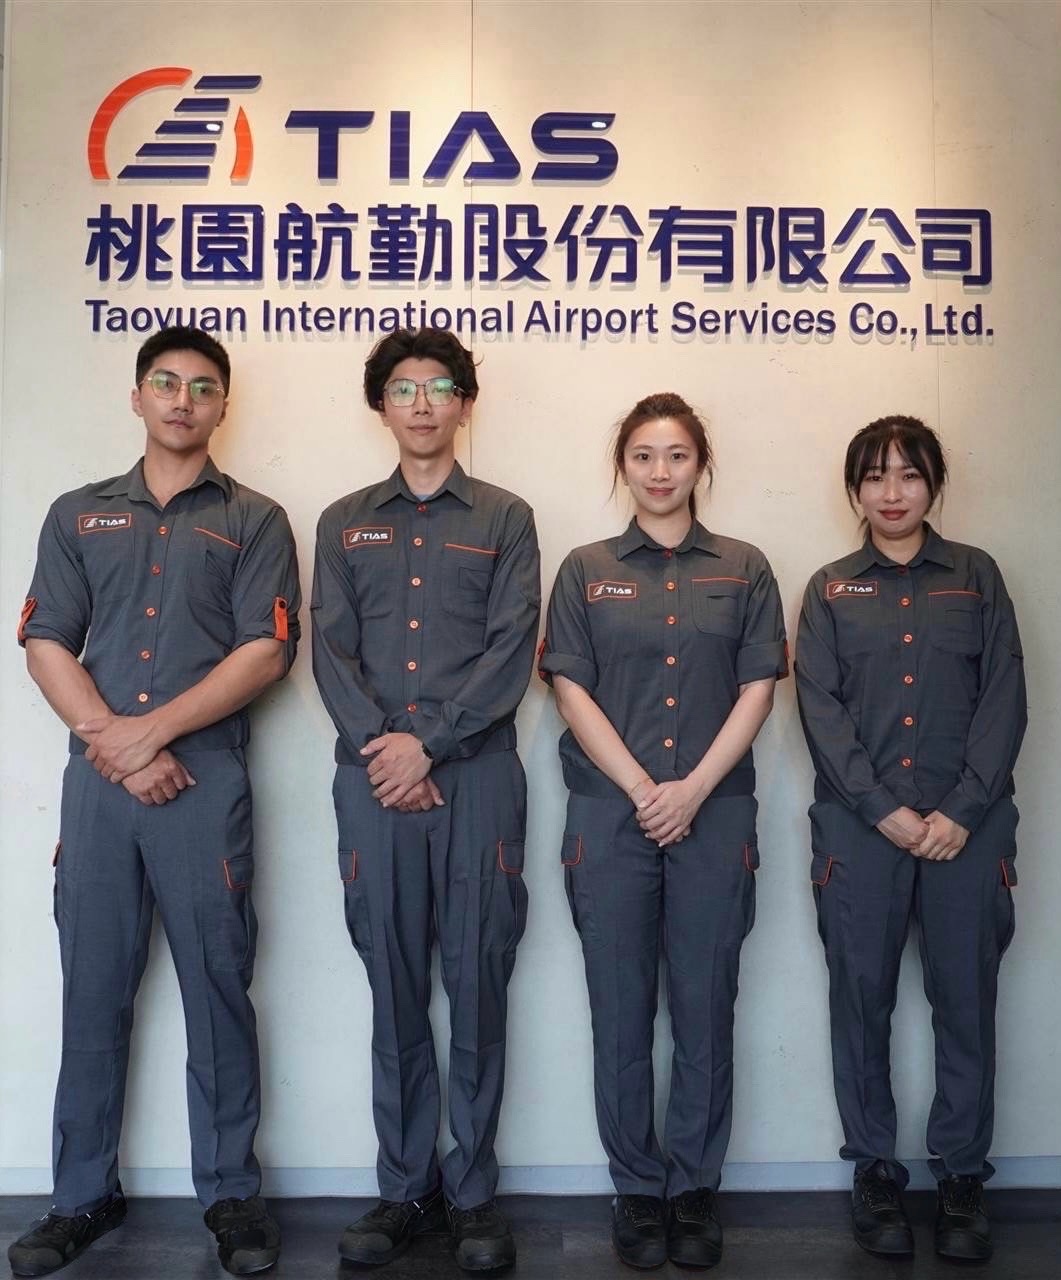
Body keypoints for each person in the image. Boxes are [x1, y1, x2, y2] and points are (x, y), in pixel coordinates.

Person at [9, 326, 300, 1278]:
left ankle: (231, 1197)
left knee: (218, 989)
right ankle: (79, 1197)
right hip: (101, 789)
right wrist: (117, 743)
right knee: (93, 990)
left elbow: (266, 650)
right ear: (137, 397)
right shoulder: (78, 514)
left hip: (203, 783)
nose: (183, 399)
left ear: (223, 407)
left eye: (203, 387)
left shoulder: (254, 519)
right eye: (166, 383)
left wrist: (153, 733)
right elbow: (45, 639)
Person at [538, 392, 786, 1271]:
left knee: (705, 1004)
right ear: (622, 466)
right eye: (642, 455)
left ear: (699, 465)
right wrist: (646, 788)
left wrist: (693, 789)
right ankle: (638, 1190)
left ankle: (692, 1189)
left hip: (714, 816)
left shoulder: (744, 568)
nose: (659, 471)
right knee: (619, 1008)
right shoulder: (586, 569)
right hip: (610, 818)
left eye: (676, 454)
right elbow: (569, 688)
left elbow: (758, 688)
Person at [311, 328, 540, 1273]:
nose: (420, 404)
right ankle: (406, 1187)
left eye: (439, 388)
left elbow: (511, 646)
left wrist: (429, 744)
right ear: (381, 405)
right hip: (374, 781)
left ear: (464, 404)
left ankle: (474, 1196)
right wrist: (387, 750)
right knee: (395, 984)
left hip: (475, 778)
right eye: (402, 389)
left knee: (478, 983)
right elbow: (329, 649)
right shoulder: (342, 522)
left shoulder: (506, 517)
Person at [795, 415, 1026, 1263]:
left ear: (933, 485)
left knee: (965, 1003)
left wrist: (962, 809)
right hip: (859, 833)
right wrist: (879, 808)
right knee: (861, 1003)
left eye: (908, 475)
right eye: (874, 476)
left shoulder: (976, 577)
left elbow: (1004, 699)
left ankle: (961, 1179)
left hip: (969, 830)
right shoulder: (827, 589)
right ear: (853, 490)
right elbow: (818, 709)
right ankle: (875, 1173)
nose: (891, 493)